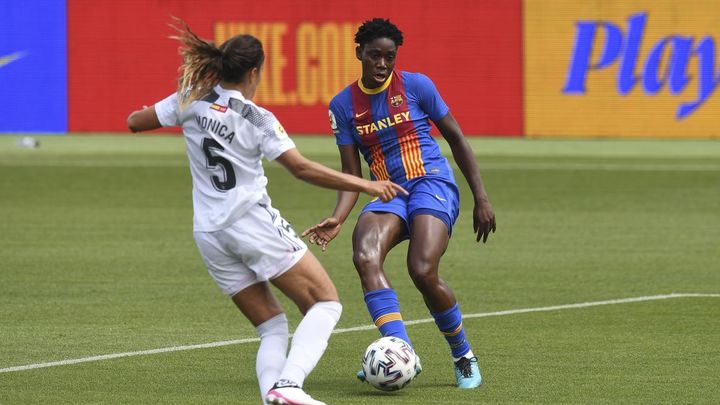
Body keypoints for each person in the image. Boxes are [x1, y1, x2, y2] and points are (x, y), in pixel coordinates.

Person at [126, 19, 406, 405]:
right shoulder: (257, 118)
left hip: (209, 234)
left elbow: (134, 122)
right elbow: (301, 168)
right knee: (325, 303)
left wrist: (175, 108)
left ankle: (276, 398)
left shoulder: (190, 99)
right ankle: (290, 384)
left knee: (273, 327)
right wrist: (367, 185)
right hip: (249, 222)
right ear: (254, 71)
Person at [302, 18, 496, 389]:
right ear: (359, 53)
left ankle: (463, 356)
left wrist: (481, 198)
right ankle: (402, 350)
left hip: (431, 182)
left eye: (389, 57)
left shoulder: (417, 86)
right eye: (374, 56)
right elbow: (351, 173)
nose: (382, 64)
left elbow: (456, 138)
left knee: (421, 270)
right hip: (387, 192)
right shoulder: (343, 106)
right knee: (365, 256)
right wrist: (338, 217)